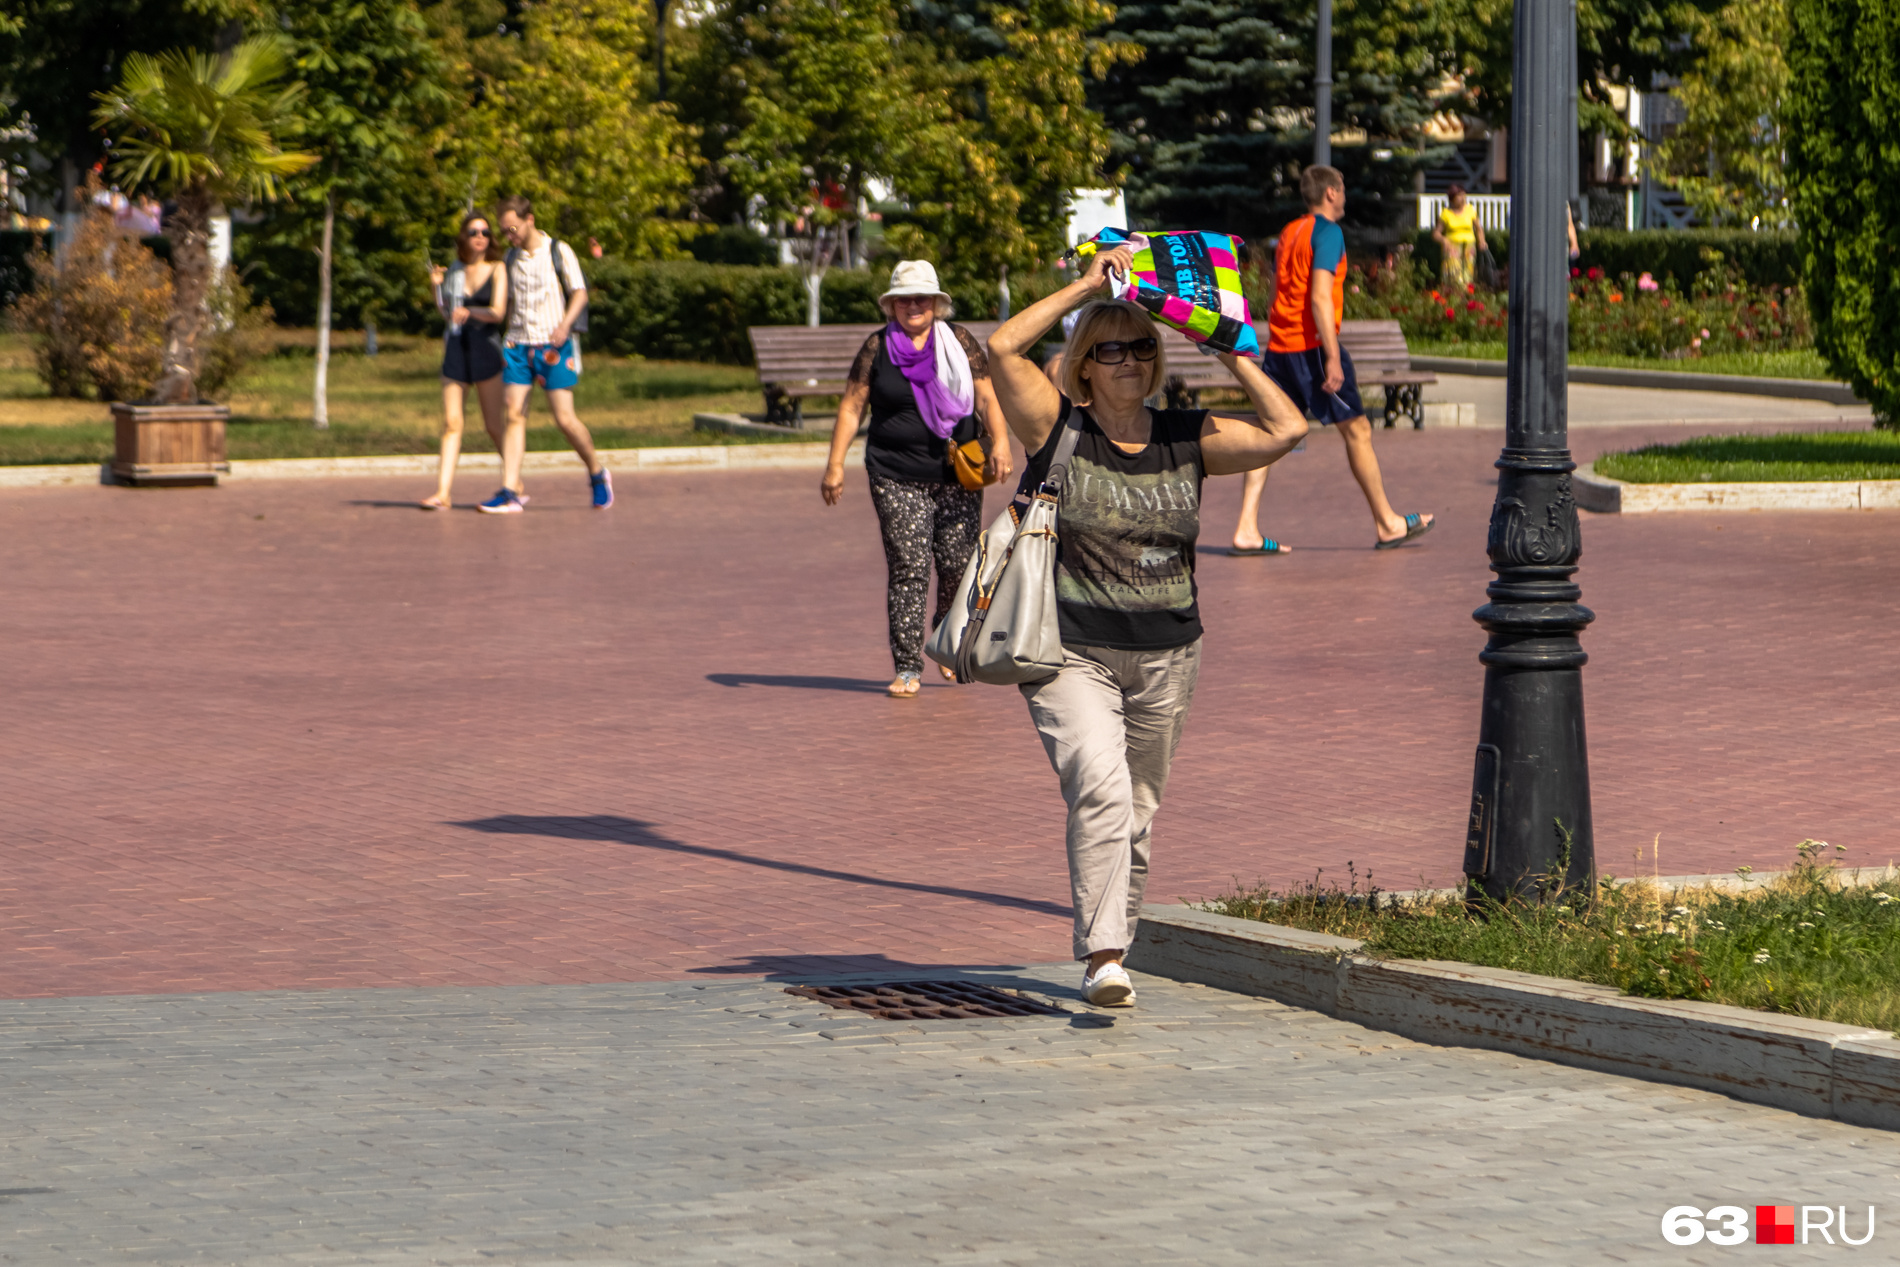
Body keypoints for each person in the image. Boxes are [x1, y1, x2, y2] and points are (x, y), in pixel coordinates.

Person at [986, 244, 1308, 1007]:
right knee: (1100, 788)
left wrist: (1223, 345)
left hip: (1169, 654)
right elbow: (1002, 346)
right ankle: (1103, 955)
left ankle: (1115, 944)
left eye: (1140, 346)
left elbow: (1288, 427)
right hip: (1068, 650)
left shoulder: (1186, 435)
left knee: (1136, 810)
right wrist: (1089, 286)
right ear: (1085, 366)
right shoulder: (1057, 428)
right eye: (1109, 349)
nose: (1127, 359)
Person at [821, 260, 1012, 698]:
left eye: (921, 297)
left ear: (935, 304)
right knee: (909, 566)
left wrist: (1001, 441)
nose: (913, 305)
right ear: (891, 306)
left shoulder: (959, 341)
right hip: (895, 474)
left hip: (957, 472)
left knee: (956, 564)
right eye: (904, 299)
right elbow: (852, 407)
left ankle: (944, 642)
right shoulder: (877, 348)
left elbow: (985, 394)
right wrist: (835, 465)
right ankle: (907, 665)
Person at [1231, 165, 1435, 555]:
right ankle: (1387, 523)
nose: (1345, 194)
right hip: (1312, 348)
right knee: (1357, 431)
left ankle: (1246, 529)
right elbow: (1321, 298)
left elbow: (1276, 289)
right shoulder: (1328, 233)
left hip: (1281, 347)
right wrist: (1332, 358)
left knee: (1268, 432)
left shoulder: (1290, 232)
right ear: (1330, 193)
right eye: (1342, 188)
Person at [477, 195, 613, 514]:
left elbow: (578, 292)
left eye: (512, 229)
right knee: (513, 415)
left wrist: (565, 324)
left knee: (564, 419)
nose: (509, 236)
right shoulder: (510, 259)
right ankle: (510, 490)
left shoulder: (558, 251)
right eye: (504, 231)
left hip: (553, 346)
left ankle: (597, 473)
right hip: (517, 345)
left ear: (530, 220)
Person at [421, 212, 509, 510]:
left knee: (494, 426)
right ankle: (443, 493)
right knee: (451, 422)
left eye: (485, 232)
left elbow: (498, 312)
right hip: (457, 348)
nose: (480, 237)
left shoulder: (498, 268)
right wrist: (436, 286)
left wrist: (472, 313)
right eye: (474, 232)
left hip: (486, 349)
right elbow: (447, 312)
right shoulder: (456, 270)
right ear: (464, 237)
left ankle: (513, 483)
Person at [1433, 183, 1487, 290]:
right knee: (1454, 275)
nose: (1462, 198)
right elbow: (1436, 234)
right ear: (1452, 198)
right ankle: (1454, 295)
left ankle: (1467, 296)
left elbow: (1479, 228)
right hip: (1452, 247)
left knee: (1468, 274)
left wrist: (1482, 241)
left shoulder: (1470, 210)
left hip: (1468, 247)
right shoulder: (1446, 214)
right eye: (1459, 196)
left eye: (1464, 195)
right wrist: (1444, 240)